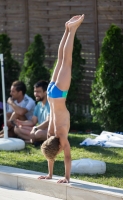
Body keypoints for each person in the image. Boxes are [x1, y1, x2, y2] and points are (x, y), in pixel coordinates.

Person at [38, 14, 85, 183]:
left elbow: (67, 157)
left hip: (59, 94)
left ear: (57, 148)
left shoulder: (61, 136)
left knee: (67, 61)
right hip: (50, 93)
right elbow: (50, 154)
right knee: (60, 60)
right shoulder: (50, 135)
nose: (59, 153)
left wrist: (66, 178)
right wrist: (49, 175)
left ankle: (71, 30)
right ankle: (66, 28)